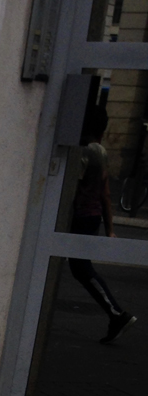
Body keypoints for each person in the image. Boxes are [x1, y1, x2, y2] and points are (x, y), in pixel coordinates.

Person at [69, 105, 136, 345]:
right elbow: (105, 193)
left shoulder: (87, 151)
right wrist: (109, 228)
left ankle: (116, 312)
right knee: (80, 267)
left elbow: (72, 187)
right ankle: (115, 314)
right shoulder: (102, 151)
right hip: (92, 216)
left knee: (81, 268)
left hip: (81, 215)